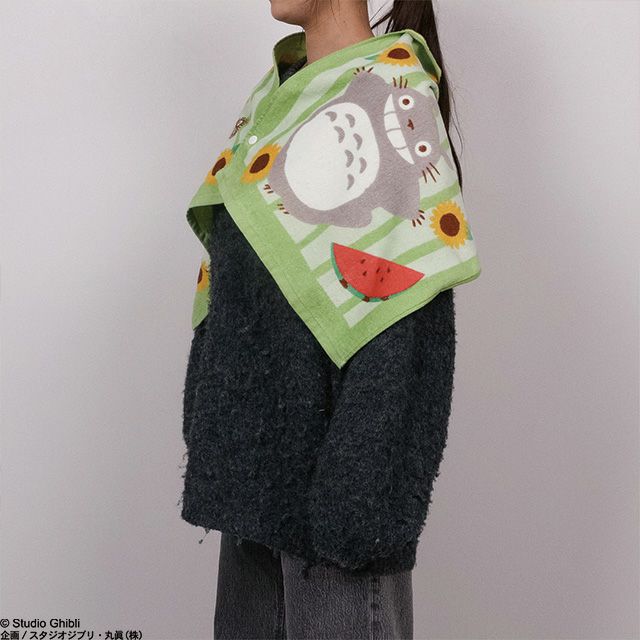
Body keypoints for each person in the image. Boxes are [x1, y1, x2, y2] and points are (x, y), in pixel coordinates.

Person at [180, 1, 470, 637]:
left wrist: (358, 507)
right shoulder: (276, 106)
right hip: (254, 493)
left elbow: (406, 336)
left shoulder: (394, 102)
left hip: (337, 518)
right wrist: (216, 432)